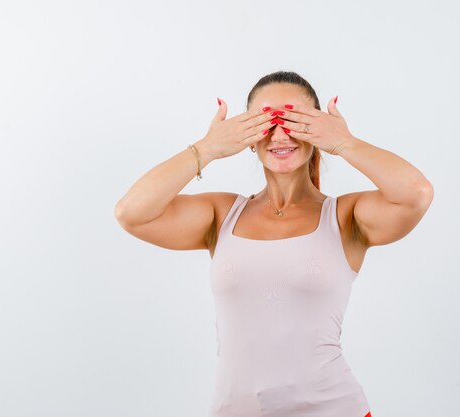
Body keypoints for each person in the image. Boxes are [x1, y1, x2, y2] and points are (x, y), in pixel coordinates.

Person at [115, 71, 434, 417]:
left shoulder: (345, 217)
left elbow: (415, 194)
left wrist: (344, 143)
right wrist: (206, 149)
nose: (281, 134)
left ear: (318, 130)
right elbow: (132, 213)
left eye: (296, 120)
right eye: (267, 121)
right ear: (248, 135)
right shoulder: (222, 215)